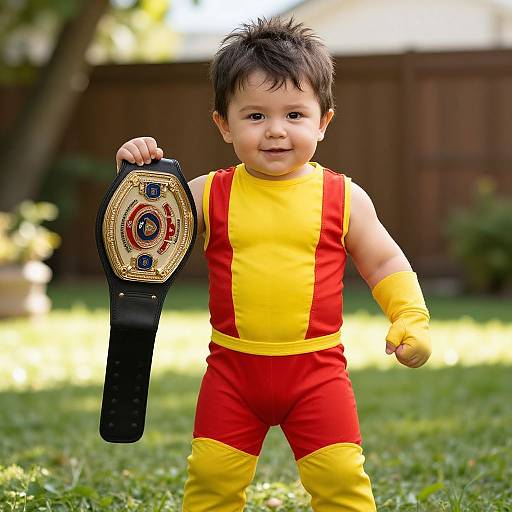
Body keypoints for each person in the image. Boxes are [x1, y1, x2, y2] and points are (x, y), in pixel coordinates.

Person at [115, 16, 431, 512]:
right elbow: (141, 226)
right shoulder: (206, 193)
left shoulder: (343, 197)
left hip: (317, 372)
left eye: (295, 115)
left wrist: (410, 317)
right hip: (231, 373)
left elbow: (384, 260)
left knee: (341, 481)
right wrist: (136, 177)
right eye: (256, 116)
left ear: (323, 121)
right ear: (224, 124)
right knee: (211, 481)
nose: (276, 131)